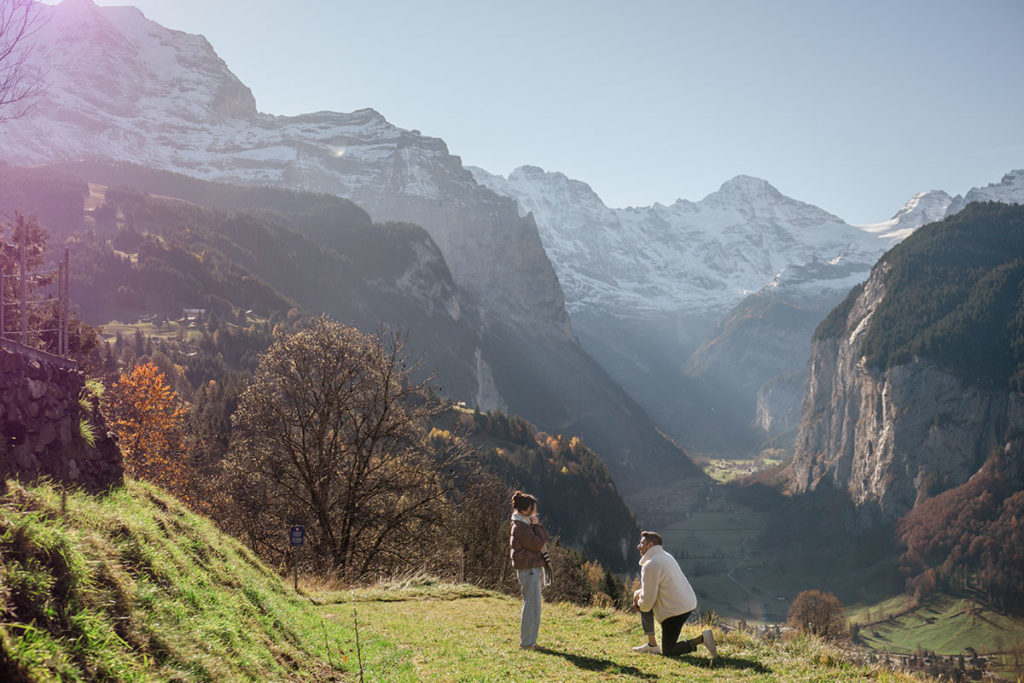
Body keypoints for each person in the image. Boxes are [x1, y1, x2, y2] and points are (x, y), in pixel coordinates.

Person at [631, 531, 717, 659]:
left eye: (642, 543)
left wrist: (637, 603)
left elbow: (647, 603)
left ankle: (702, 639)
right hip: (686, 603)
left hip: (675, 611)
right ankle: (652, 645)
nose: (639, 546)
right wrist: (639, 595)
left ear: (650, 545)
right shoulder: (665, 556)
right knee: (642, 597)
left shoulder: (650, 565)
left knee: (669, 651)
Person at [509, 490, 549, 650]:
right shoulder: (522, 527)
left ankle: (530, 641)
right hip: (529, 568)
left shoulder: (523, 524)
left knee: (533, 605)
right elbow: (539, 542)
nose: (536, 512)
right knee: (531, 605)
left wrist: (535, 525)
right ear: (527, 510)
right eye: (534, 509)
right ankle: (527, 643)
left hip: (530, 568)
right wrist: (537, 525)